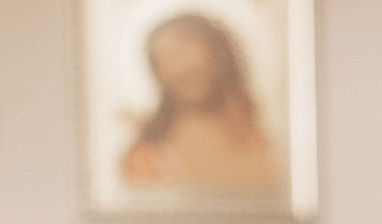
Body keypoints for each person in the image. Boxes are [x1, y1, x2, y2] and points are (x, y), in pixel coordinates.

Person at [119, 13, 280, 192]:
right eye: (161, 60)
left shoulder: (265, 135)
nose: (176, 68)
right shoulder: (149, 151)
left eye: (180, 51)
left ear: (217, 52)